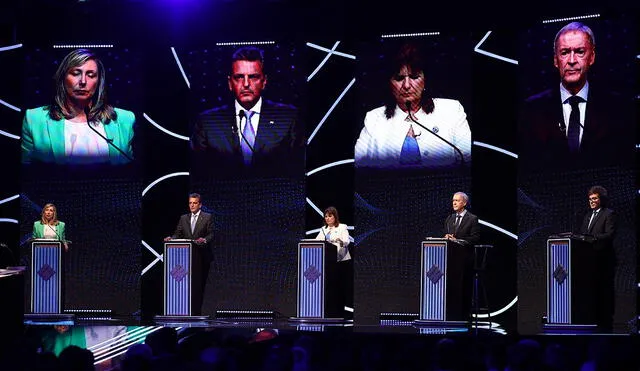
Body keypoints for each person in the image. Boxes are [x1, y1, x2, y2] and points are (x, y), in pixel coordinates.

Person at [518, 21, 633, 169]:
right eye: (565, 53)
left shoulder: (618, 108)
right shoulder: (531, 109)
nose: (572, 61)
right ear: (555, 60)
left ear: (591, 57)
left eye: (579, 52)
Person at [355, 42, 471, 169]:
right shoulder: (373, 118)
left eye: (414, 77)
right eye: (399, 78)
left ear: (425, 80)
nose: (406, 86)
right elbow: (358, 167)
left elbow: (468, 160)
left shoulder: (452, 110)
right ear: (390, 84)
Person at [190, 46, 304, 176]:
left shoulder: (287, 117)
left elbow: (298, 169)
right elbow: (197, 173)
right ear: (230, 83)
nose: (245, 84)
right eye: (239, 77)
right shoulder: (208, 122)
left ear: (264, 81)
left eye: (253, 77)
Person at [21, 48, 135, 165]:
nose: (83, 81)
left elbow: (132, 172)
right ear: (63, 79)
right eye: (75, 74)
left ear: (99, 82)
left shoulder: (124, 119)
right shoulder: (34, 119)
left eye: (91, 75)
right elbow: (25, 175)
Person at [164, 193, 214, 315]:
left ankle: (197, 313)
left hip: (201, 257)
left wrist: (204, 240)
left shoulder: (207, 217)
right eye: (190, 203)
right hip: (185, 259)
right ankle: (183, 311)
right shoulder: (183, 218)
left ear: (200, 204)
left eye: (194, 203)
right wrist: (172, 238)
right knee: (184, 284)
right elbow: (178, 233)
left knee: (198, 287)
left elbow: (211, 234)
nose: (192, 205)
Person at [578, 185, 616, 332]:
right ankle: (591, 319)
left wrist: (592, 238)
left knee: (604, 293)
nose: (592, 201)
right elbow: (583, 235)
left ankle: (606, 324)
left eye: (595, 198)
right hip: (589, 263)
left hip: (603, 261)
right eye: (590, 199)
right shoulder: (588, 215)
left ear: (601, 199)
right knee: (591, 293)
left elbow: (609, 235)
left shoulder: (609, 214)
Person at [443, 192, 480, 321]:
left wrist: (458, 240)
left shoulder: (472, 219)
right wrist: (448, 238)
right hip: (451, 261)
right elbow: (448, 236)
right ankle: (450, 314)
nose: (454, 203)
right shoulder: (449, 219)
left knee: (464, 288)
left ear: (464, 203)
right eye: (453, 200)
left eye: (457, 200)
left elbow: (475, 238)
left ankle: (464, 316)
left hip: (465, 260)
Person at [314, 206, 352, 319]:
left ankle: (339, 312)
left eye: (330, 216)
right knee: (328, 287)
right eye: (326, 216)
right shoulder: (323, 230)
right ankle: (327, 311)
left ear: (335, 216)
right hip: (327, 263)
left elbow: (346, 241)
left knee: (339, 287)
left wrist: (340, 241)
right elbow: (317, 242)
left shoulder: (342, 227)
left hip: (340, 261)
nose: (327, 218)